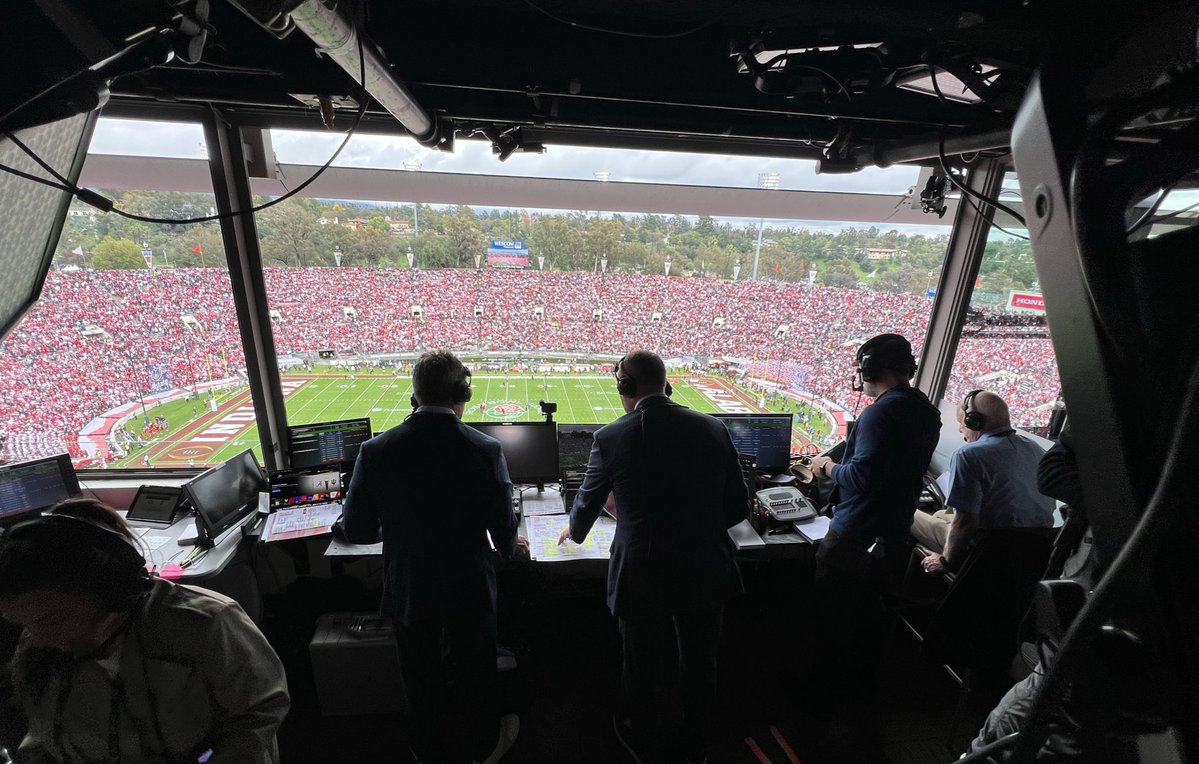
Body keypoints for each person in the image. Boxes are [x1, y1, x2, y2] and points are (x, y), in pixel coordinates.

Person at [558, 350, 748, 764]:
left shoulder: (610, 436)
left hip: (642, 569)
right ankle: (695, 741)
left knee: (640, 663)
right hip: (703, 565)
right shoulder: (713, 427)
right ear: (667, 384)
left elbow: (586, 507)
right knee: (701, 661)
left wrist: (573, 530)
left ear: (625, 387)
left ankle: (644, 740)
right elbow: (738, 508)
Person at [0, 498, 289, 764]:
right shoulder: (41, 647)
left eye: (52, 619)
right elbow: (42, 734)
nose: (36, 637)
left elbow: (259, 712)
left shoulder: (205, 623)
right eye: (26, 624)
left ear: (109, 590)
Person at [339, 350, 522, 764]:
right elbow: (504, 534)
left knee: (419, 676)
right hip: (468, 584)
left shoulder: (375, 450)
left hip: (410, 583)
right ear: (464, 393)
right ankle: (483, 747)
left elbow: (358, 530)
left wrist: (401, 532)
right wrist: (512, 550)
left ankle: (427, 749)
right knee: (477, 672)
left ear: (414, 397)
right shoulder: (485, 449)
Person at [806, 333, 940, 732]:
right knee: (865, 628)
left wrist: (825, 469)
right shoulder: (924, 411)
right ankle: (858, 708)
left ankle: (821, 713)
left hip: (855, 537)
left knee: (831, 627)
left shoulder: (881, 413)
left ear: (869, 368)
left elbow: (861, 476)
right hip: (892, 537)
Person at [913, 390, 1057, 573]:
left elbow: (965, 523)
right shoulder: (1036, 449)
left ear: (974, 421)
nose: (960, 429)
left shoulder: (969, 455)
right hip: (1032, 548)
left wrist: (946, 561)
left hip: (988, 550)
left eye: (961, 422)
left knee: (906, 513)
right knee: (940, 515)